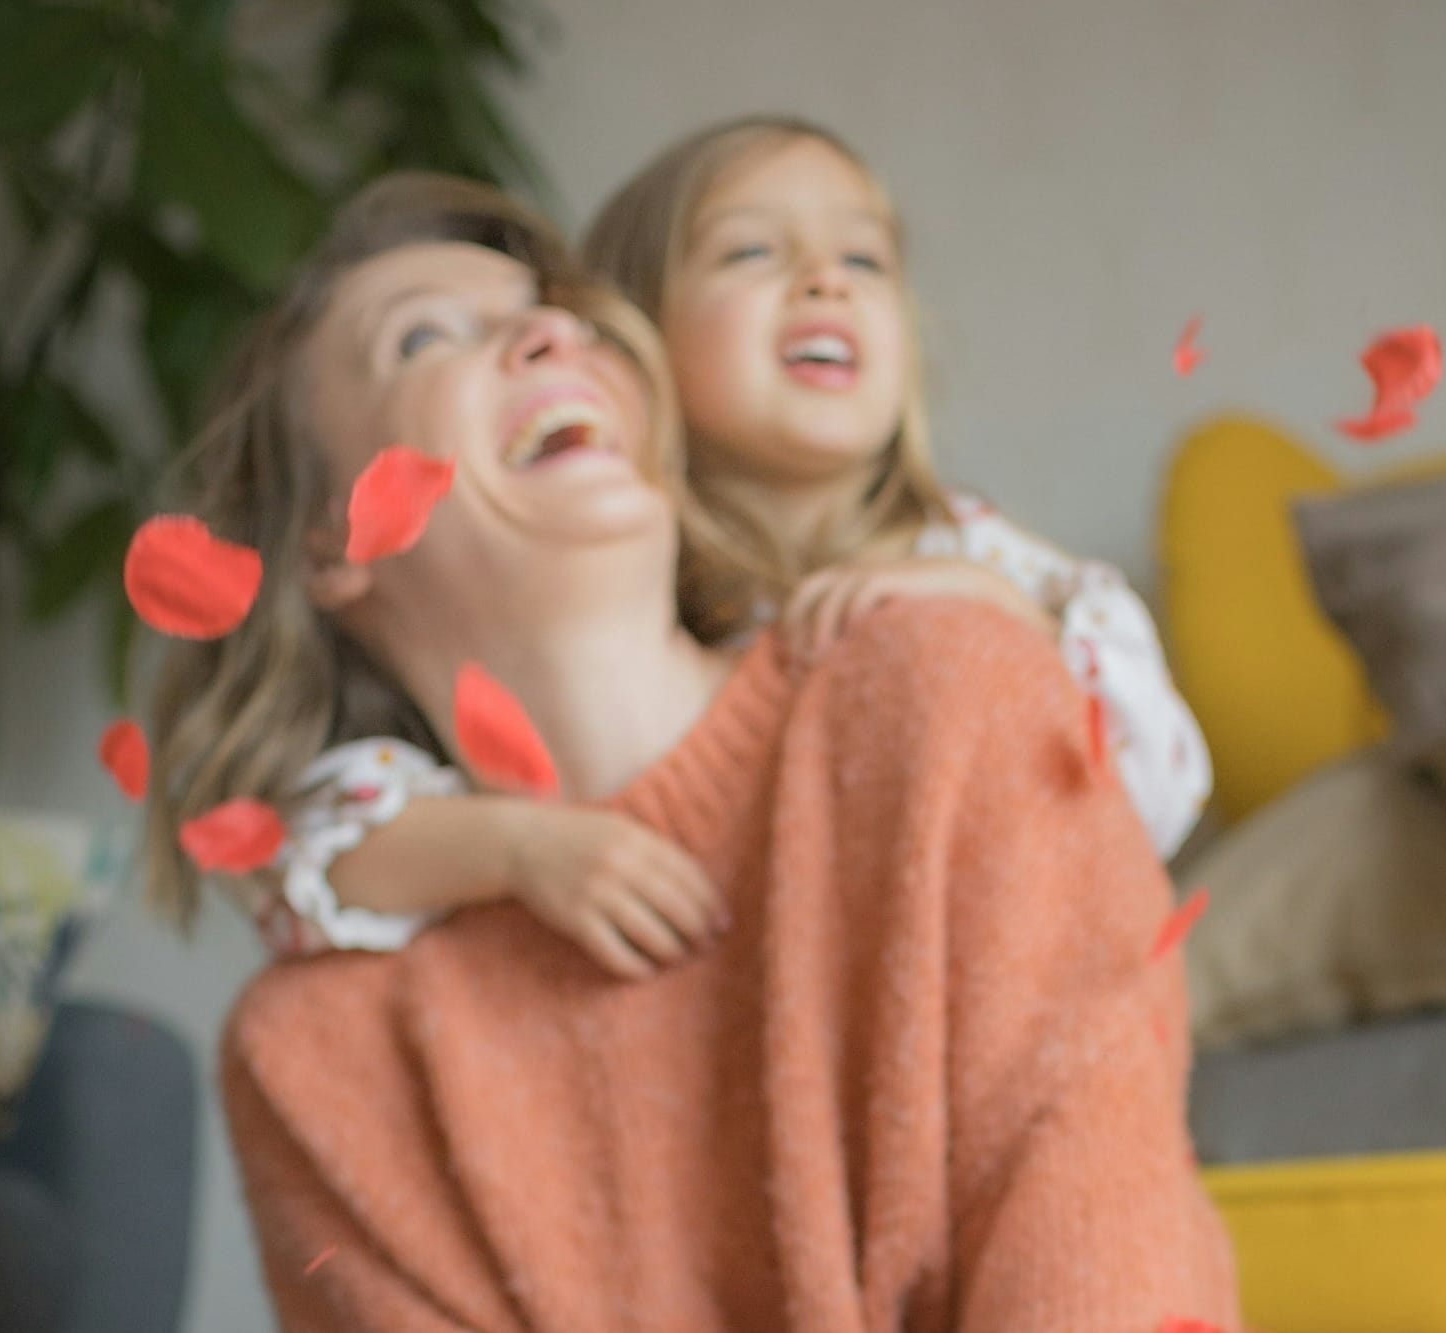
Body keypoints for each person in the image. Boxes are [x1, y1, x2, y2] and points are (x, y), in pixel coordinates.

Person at [147, 171, 1241, 1331]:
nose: (545, 329)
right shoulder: (316, 1053)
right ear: (328, 535)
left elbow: (1092, 1240)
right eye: (425, 335)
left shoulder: (950, 686)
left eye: (553, 310)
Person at [255, 116, 1213, 978]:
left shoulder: (969, 555)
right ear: (631, 343)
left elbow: (1153, 804)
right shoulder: (631, 589)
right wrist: (522, 848)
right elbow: (300, 850)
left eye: (867, 261)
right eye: (751, 251)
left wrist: (997, 626)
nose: (825, 278)